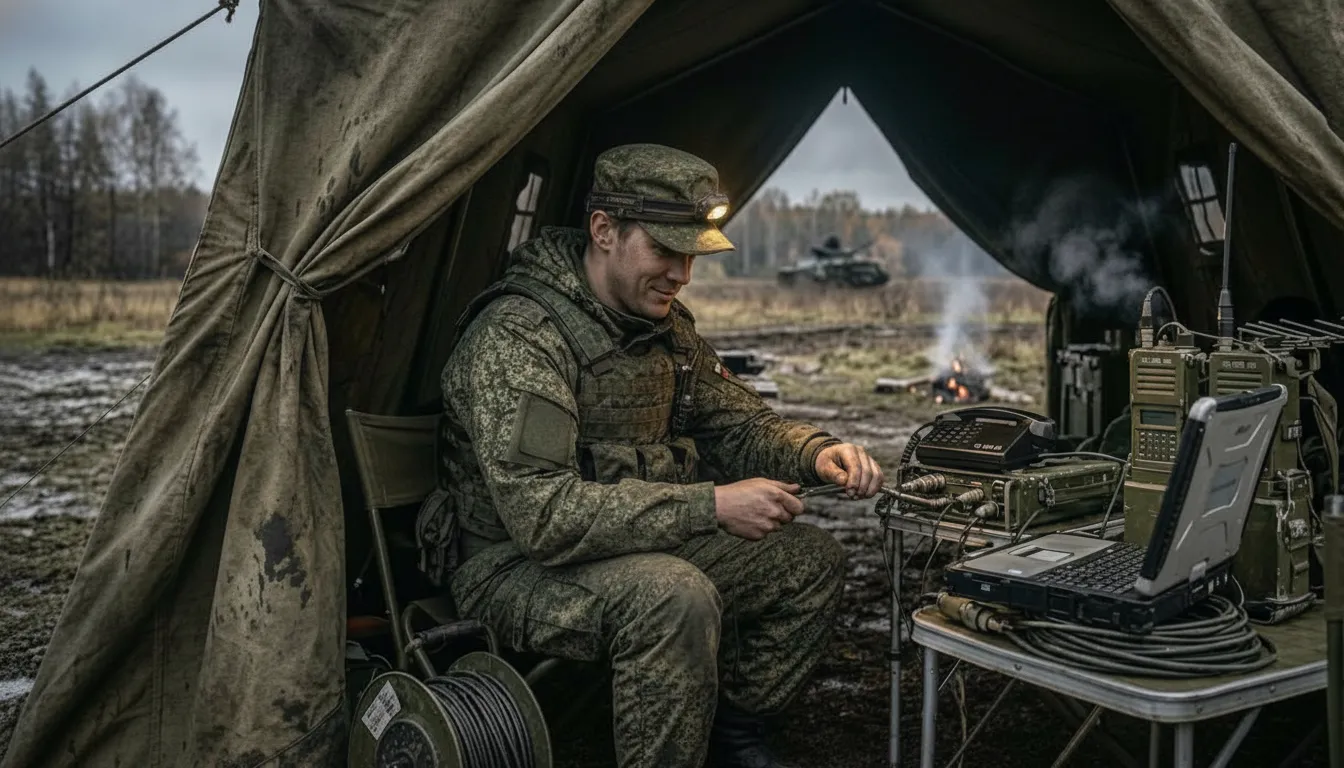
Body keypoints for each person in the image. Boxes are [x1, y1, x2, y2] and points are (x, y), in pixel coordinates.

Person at [418, 143, 885, 768]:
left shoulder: (666, 331)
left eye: (690, 254)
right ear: (604, 230)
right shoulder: (519, 338)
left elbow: (738, 424)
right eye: (665, 251)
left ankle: (730, 739)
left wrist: (814, 452)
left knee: (810, 562)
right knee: (673, 597)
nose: (682, 274)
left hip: (631, 547)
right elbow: (544, 519)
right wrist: (710, 506)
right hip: (512, 568)